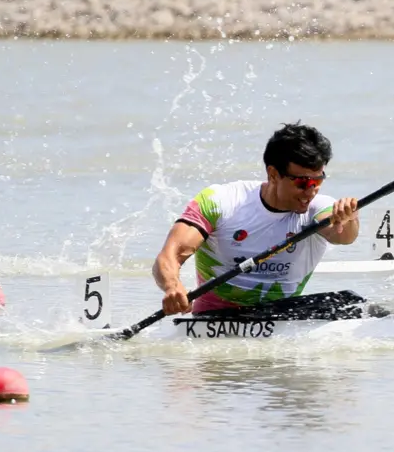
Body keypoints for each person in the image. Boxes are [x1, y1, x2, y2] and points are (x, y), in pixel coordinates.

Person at [152, 123, 360, 315]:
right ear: (273, 174)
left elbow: (343, 237)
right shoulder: (221, 202)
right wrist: (173, 286)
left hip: (283, 314)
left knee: (354, 301)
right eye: (302, 183)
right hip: (217, 316)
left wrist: (348, 219)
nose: (311, 191)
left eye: (318, 181)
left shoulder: (318, 207)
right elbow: (169, 256)